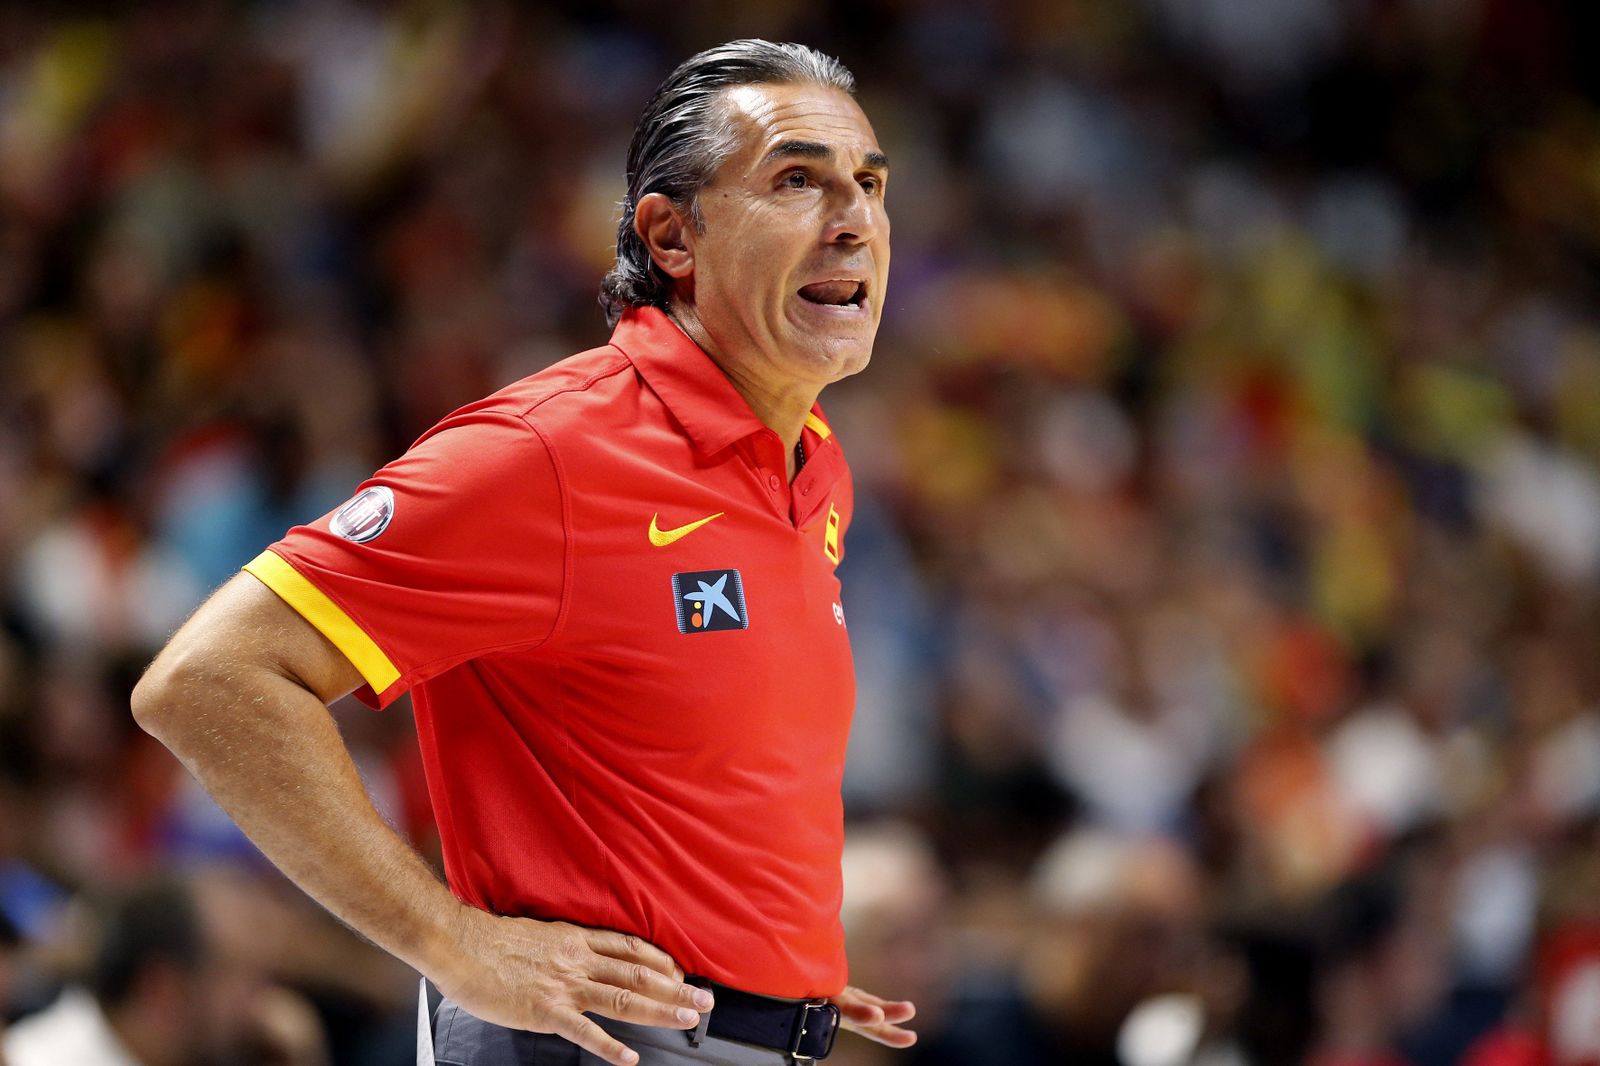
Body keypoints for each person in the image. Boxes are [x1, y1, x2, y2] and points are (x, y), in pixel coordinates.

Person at [133, 38, 915, 1066]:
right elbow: (207, 678)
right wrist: (446, 939)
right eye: (798, 180)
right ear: (672, 236)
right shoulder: (548, 452)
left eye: (866, 184)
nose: (852, 218)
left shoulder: (808, 465)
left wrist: (771, 974)